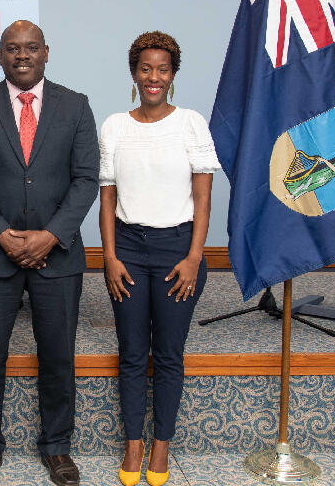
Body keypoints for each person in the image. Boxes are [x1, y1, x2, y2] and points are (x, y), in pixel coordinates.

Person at [0, 20, 99, 486]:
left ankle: (57, 447)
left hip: (58, 254)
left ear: (46, 52)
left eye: (31, 47)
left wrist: (50, 236)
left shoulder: (76, 106)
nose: (22, 55)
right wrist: (3, 234)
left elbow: (85, 178)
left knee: (58, 354)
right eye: (12, 48)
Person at [98, 31, 219, 486]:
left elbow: (203, 200)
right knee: (131, 353)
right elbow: (106, 200)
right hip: (127, 250)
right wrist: (109, 257)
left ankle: (161, 445)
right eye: (146, 69)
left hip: (177, 252)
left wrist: (193, 258)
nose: (154, 77)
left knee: (168, 354)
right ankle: (133, 444)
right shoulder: (114, 126)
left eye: (162, 70)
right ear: (134, 73)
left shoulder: (191, 123)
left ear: (173, 75)